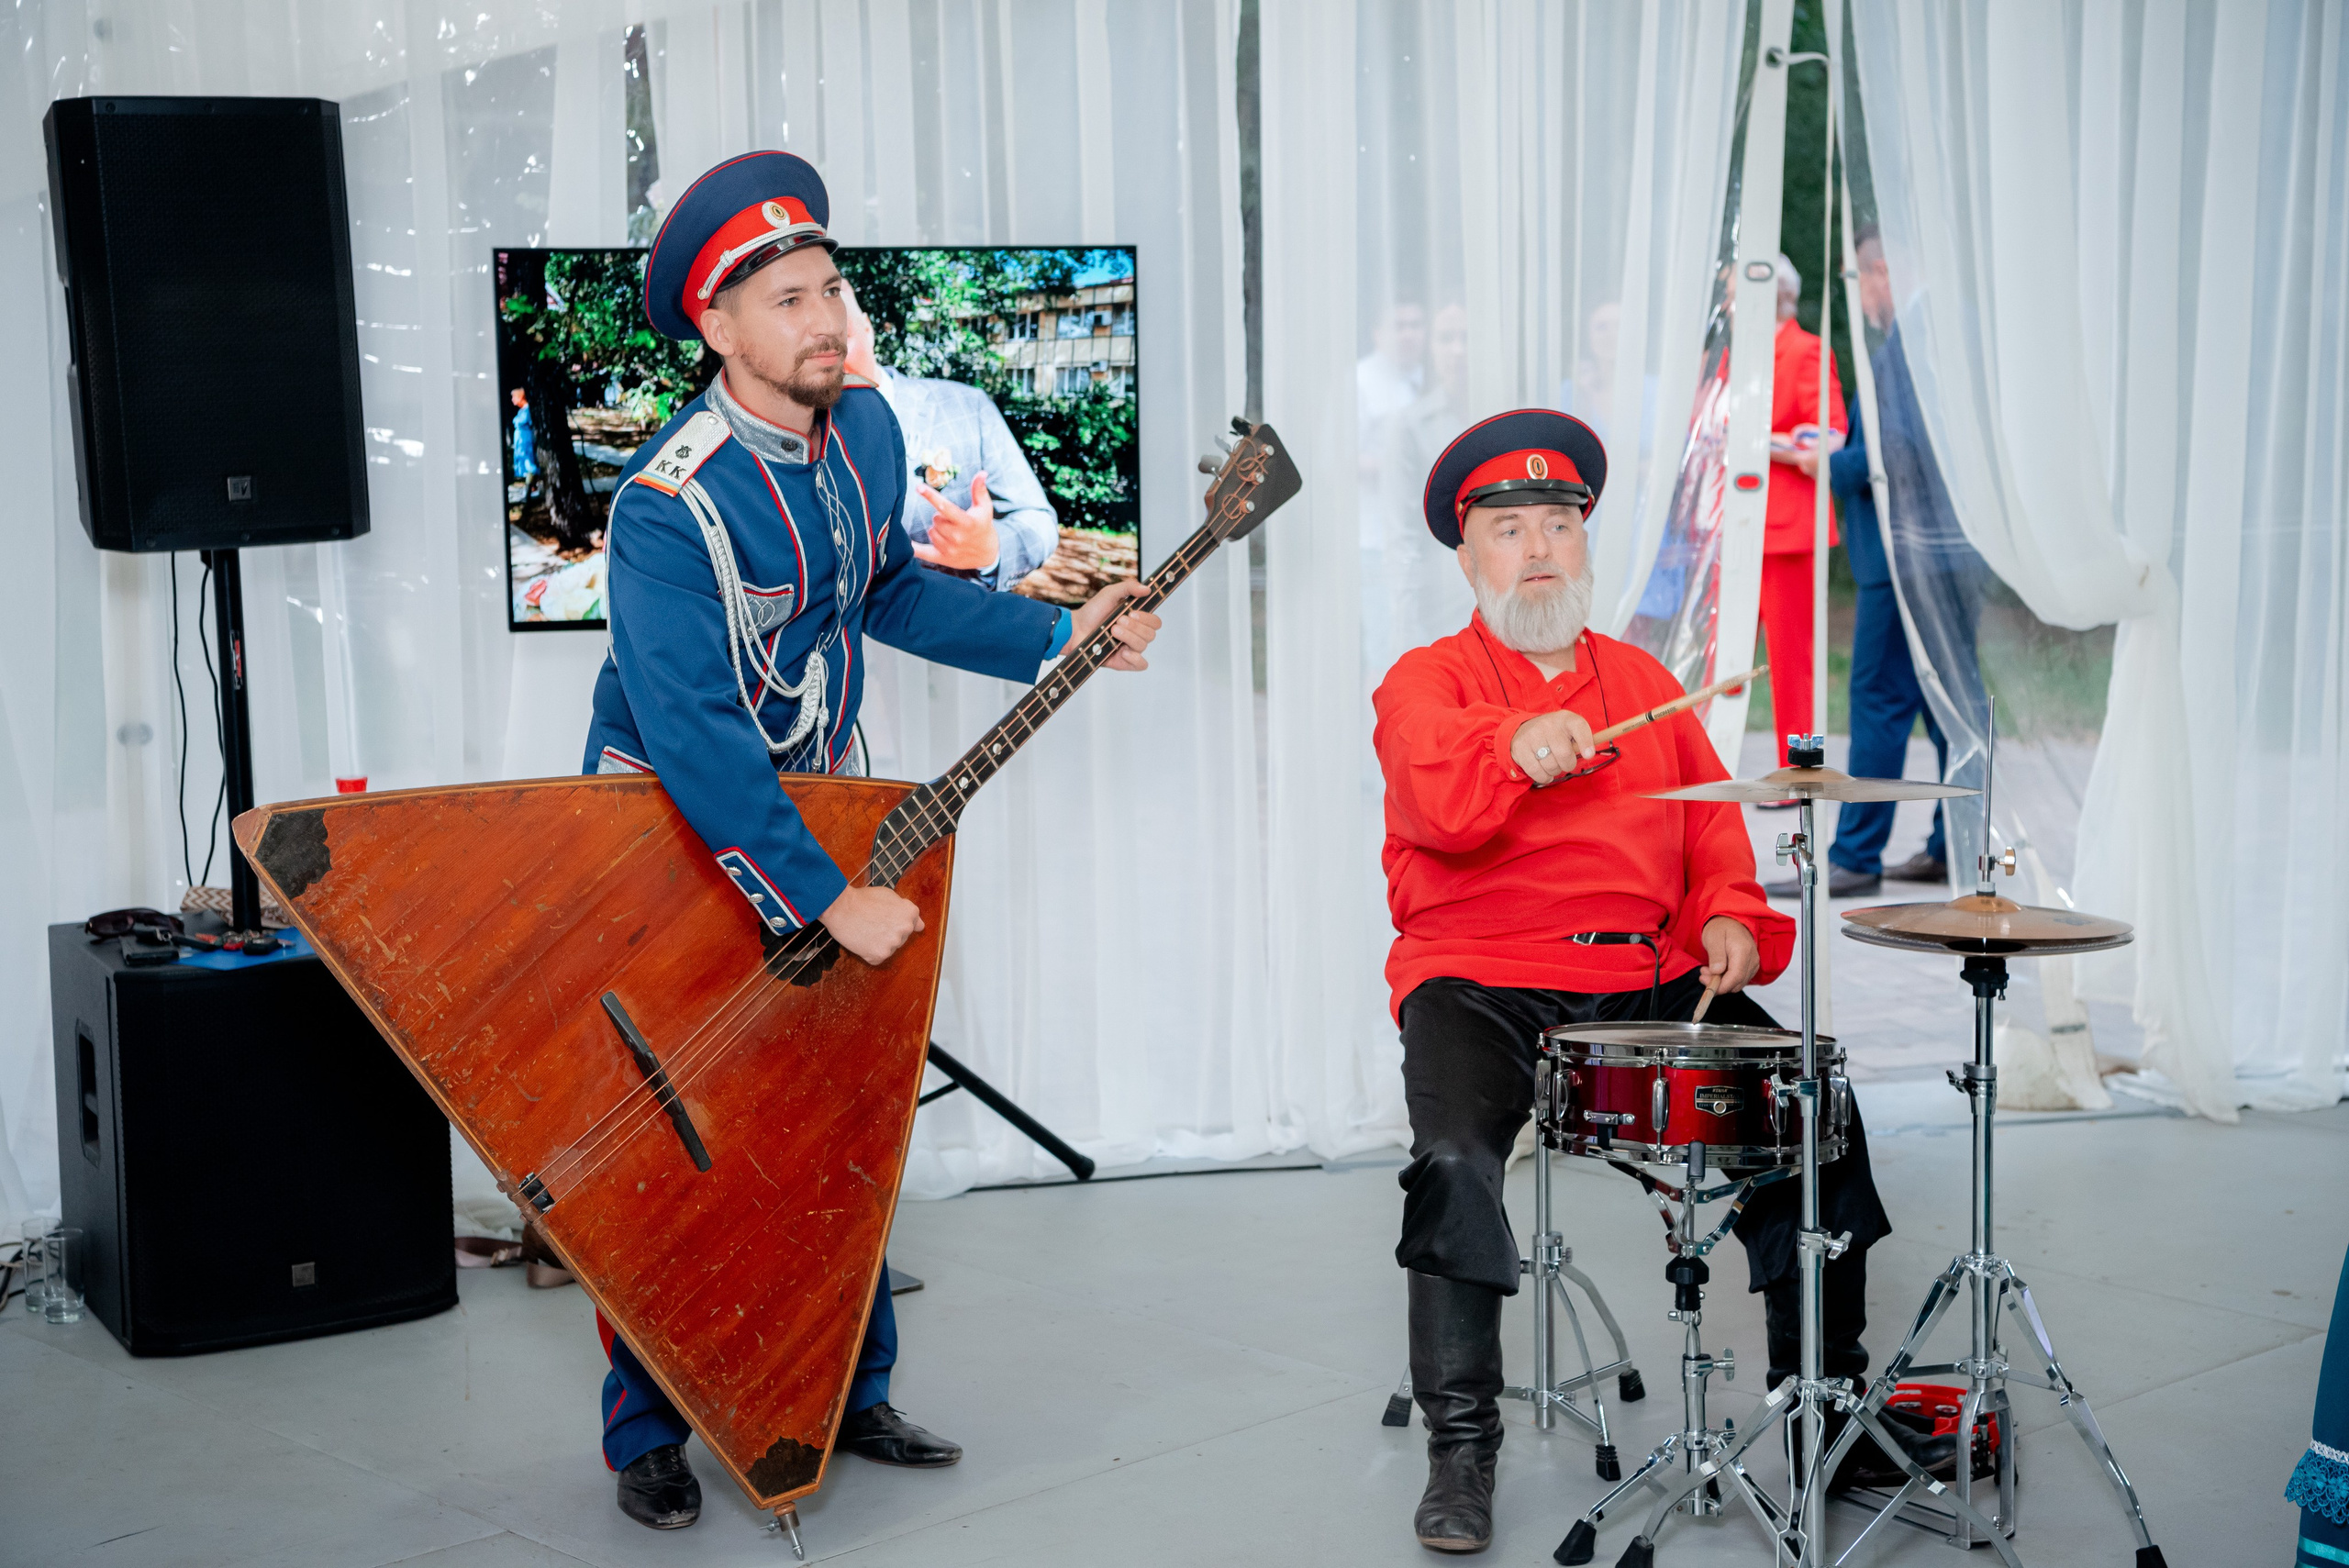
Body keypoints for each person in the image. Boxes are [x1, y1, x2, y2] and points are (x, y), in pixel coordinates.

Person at [584, 150, 1161, 1531]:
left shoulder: (872, 435)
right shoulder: (666, 507)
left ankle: (850, 1387)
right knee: (675, 1137)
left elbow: (888, 588)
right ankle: (646, 1432)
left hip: (820, 804)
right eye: (789, 301)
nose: (827, 320)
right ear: (719, 329)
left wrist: (1053, 632)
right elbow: (698, 732)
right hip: (666, 837)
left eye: (831, 287)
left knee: (845, 1109)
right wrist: (824, 896)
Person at [1372, 409, 1946, 1553]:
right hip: (1477, 981)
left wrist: (1731, 917)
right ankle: (1462, 1445)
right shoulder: (1423, 683)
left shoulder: (1646, 683)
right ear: (1465, 554)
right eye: (1505, 529)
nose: (1536, 548)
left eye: (1557, 524)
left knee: (1813, 1115)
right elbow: (1437, 799)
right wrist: (1514, 745)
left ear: (1586, 543)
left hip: (1643, 982)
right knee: (1450, 1163)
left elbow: (1714, 850)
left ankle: (1819, 1410)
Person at [1788, 227, 1989, 890]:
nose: (1862, 297)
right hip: (1951, 554)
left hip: (1907, 557)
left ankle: (1855, 855)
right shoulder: (1950, 332)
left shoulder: (1911, 337)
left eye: (1859, 280)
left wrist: (1827, 464)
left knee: (1878, 697)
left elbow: (1895, 450)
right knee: (1949, 703)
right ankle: (1951, 844)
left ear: (1882, 272)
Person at [840, 279, 1062, 588]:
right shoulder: (782, 433)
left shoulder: (967, 407)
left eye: (840, 339)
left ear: (868, 327)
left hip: (953, 629)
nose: (828, 361)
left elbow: (1037, 519)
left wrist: (991, 550)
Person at [1760, 254, 1846, 770]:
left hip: (1790, 530)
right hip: (1736, 529)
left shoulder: (1806, 351)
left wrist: (1761, 443)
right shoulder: (1735, 357)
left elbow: (1829, 433)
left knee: (1794, 664)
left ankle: (1802, 769)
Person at [508, 386, 540, 503]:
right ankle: (531, 488)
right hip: (521, 441)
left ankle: (529, 491)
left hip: (525, 441)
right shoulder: (521, 410)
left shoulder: (528, 410)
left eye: (513, 397)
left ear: (520, 397)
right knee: (525, 464)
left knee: (529, 464)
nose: (512, 400)